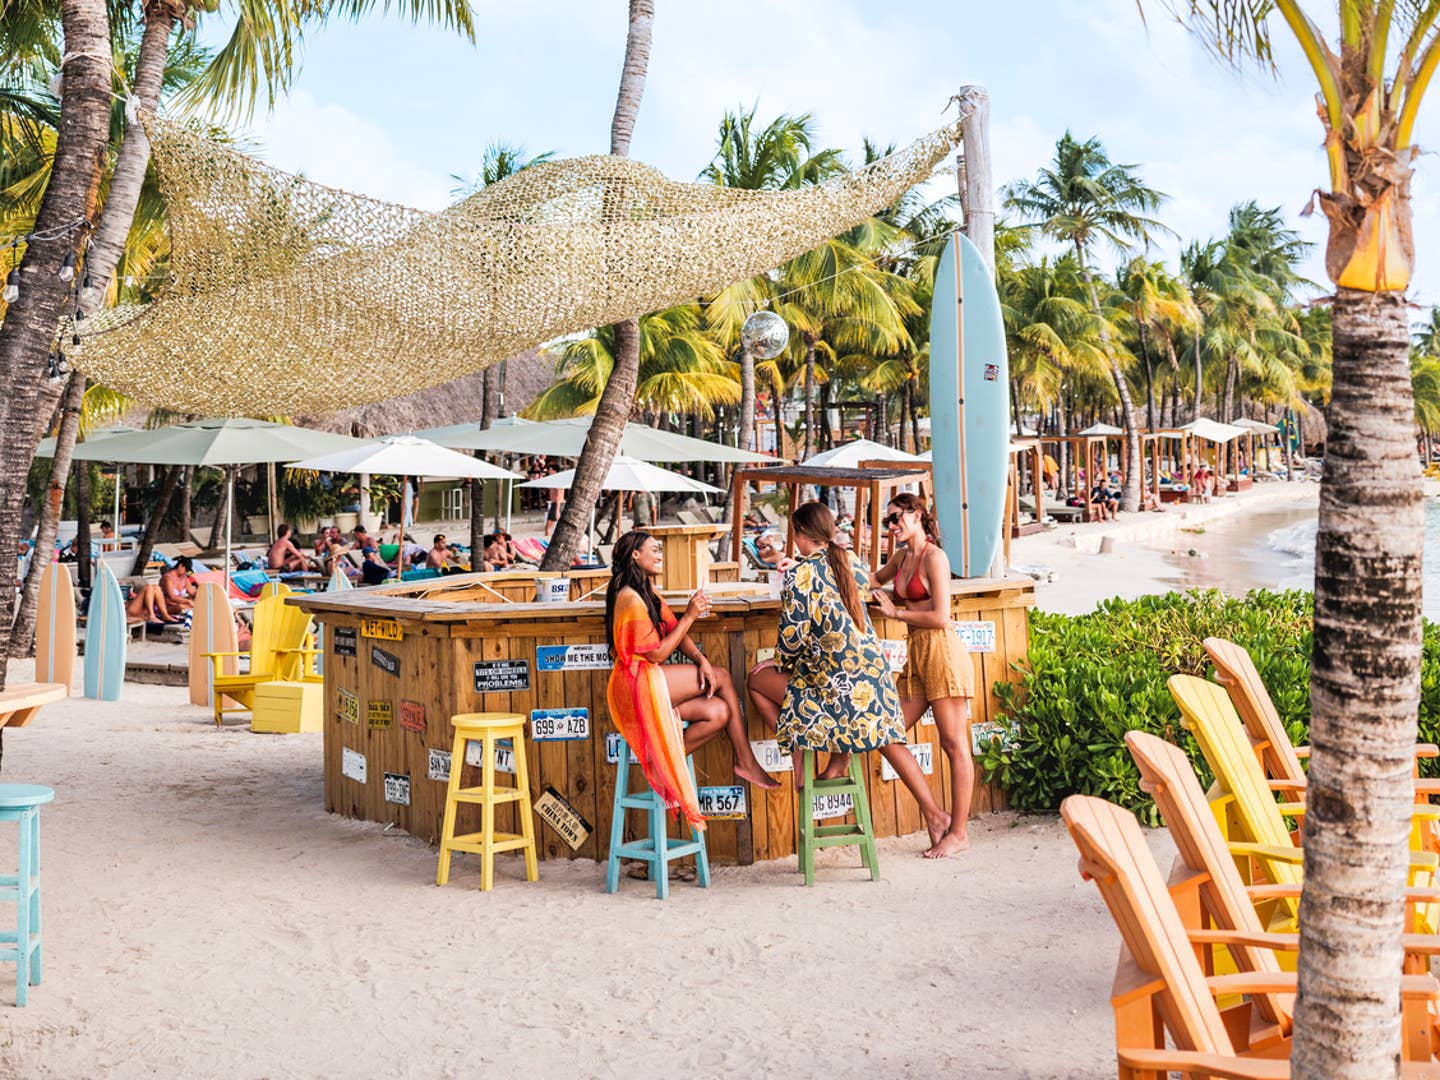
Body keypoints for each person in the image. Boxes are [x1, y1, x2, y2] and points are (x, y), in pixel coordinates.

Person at [745, 501, 953, 853]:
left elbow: (792, 636)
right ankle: (935, 814)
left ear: (800, 535)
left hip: (833, 691)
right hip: (873, 682)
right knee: (887, 737)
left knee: (756, 680)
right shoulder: (853, 561)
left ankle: (798, 756)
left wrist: (780, 663)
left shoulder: (801, 574)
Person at [605, 531, 779, 829]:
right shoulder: (630, 597)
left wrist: (701, 659)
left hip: (649, 682)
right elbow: (657, 654)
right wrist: (691, 614)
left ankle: (664, 766)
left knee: (719, 712)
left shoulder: (645, 591)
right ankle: (746, 761)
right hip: (634, 685)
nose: (660, 555)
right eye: (654, 550)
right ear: (635, 555)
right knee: (723, 677)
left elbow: (676, 631)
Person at [869, 492, 977, 858]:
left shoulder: (935, 557)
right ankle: (935, 815)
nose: (892, 526)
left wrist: (896, 615)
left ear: (916, 514)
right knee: (885, 731)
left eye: (896, 517)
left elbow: (942, 616)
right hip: (916, 655)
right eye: (887, 521)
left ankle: (959, 833)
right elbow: (870, 579)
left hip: (942, 651)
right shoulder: (900, 557)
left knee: (953, 744)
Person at [545, 471, 565, 538]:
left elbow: (558, 496)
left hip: (557, 504)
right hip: (556, 504)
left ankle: (548, 541)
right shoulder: (556, 481)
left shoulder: (558, 482)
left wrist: (557, 510)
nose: (549, 471)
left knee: (548, 527)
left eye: (550, 469)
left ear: (554, 471)